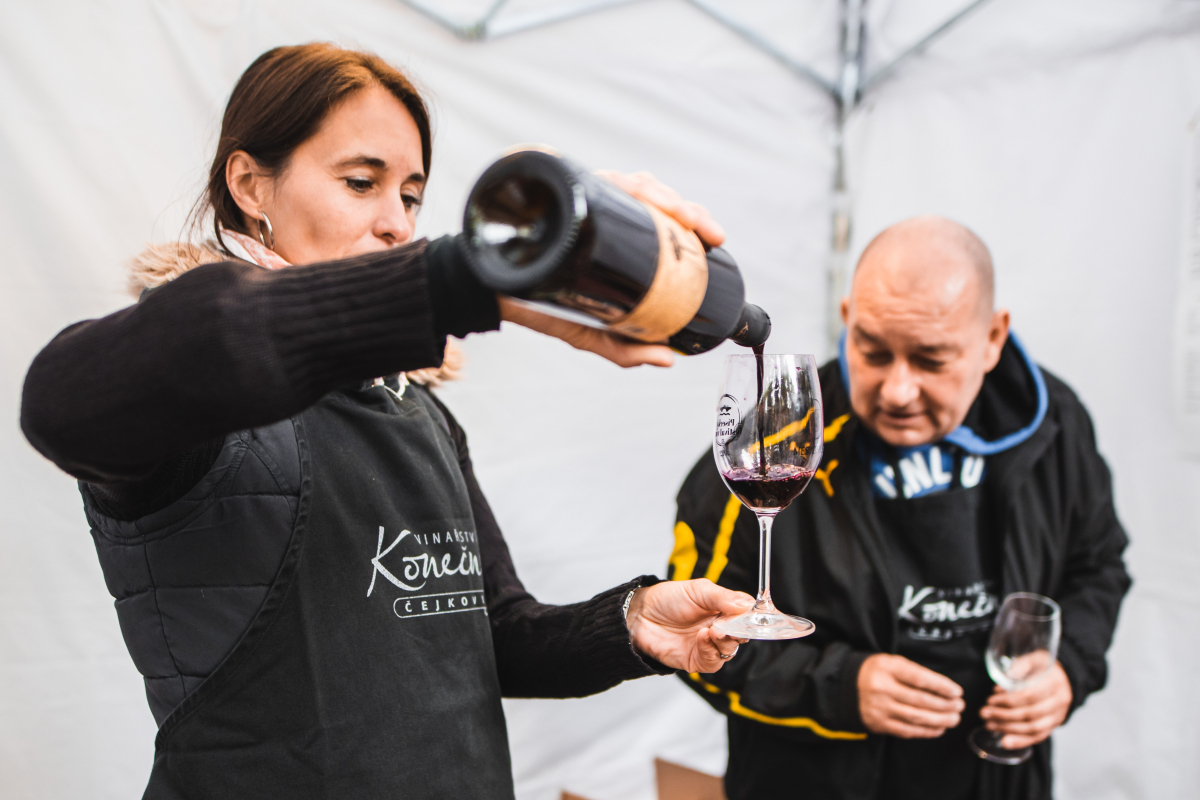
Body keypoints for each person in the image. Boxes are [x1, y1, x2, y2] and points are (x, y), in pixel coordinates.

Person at [20, 43, 753, 799]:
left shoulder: (419, 409)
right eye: (361, 182)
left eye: (410, 196)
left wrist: (630, 623)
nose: (396, 224)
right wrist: (452, 279)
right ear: (249, 185)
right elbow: (63, 400)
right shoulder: (190, 392)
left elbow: (492, 632)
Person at [670, 216, 1131, 800]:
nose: (897, 391)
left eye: (931, 360)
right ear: (848, 318)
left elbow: (1098, 566)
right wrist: (841, 687)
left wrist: (1068, 669)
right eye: (872, 350)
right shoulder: (770, 445)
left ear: (993, 338)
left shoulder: (1052, 424)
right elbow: (693, 637)